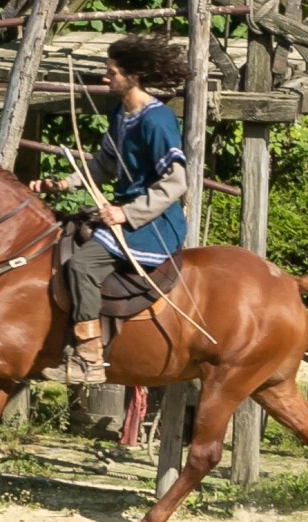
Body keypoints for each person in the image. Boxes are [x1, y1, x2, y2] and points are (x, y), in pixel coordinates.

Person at [30, 34, 192, 385]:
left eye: (112, 72)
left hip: (155, 223)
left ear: (133, 77)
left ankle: (89, 359)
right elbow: (104, 164)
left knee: (84, 265)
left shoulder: (157, 120)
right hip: (127, 212)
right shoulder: (121, 113)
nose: (107, 78)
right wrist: (64, 184)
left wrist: (127, 214)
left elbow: (177, 182)